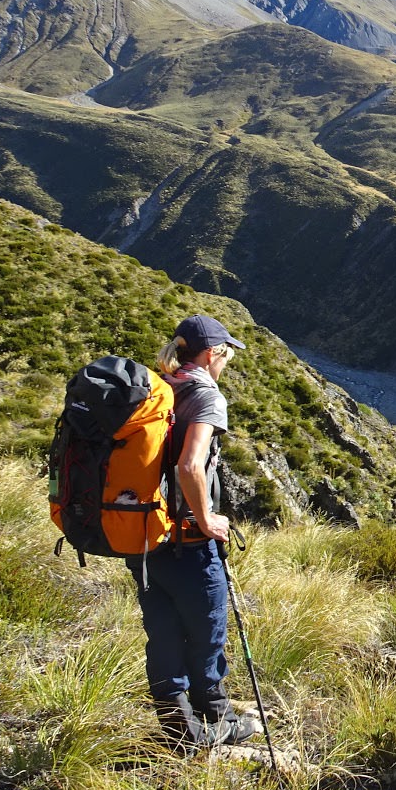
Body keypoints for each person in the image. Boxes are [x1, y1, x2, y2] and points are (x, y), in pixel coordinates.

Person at [135, 314, 259, 748]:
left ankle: (178, 730)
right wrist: (206, 520)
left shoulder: (157, 389)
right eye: (225, 355)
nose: (226, 363)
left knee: (164, 630)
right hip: (187, 538)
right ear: (211, 354)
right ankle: (217, 717)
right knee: (208, 627)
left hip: (145, 533)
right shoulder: (206, 395)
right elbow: (190, 465)